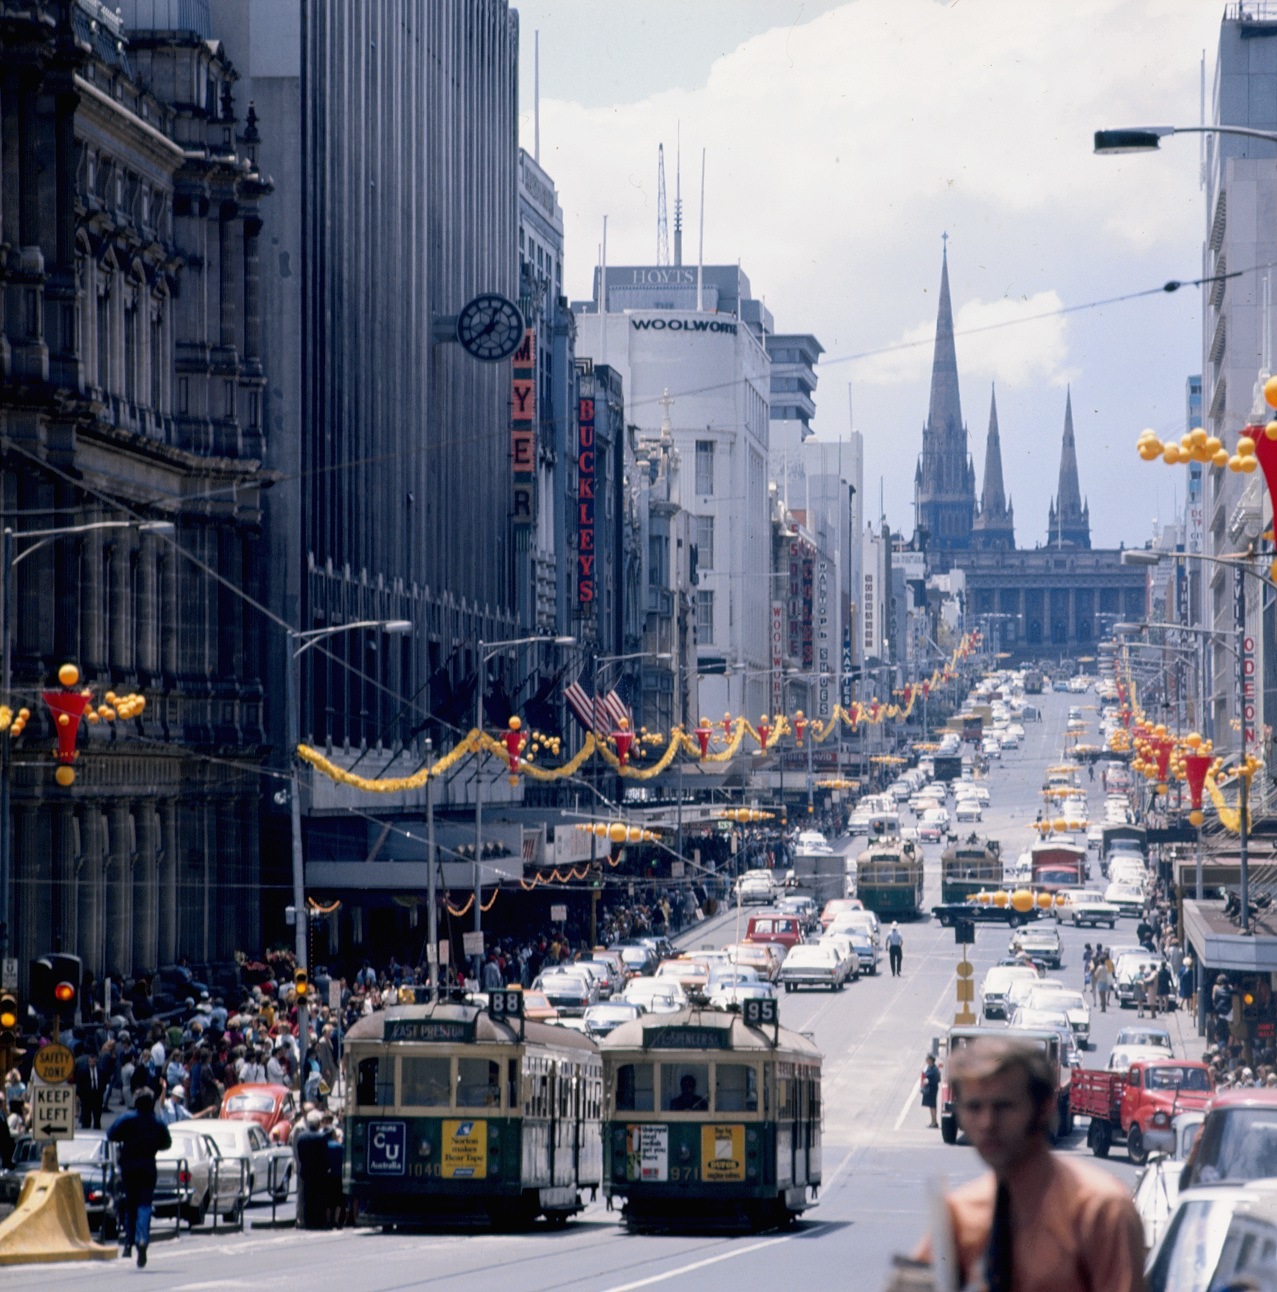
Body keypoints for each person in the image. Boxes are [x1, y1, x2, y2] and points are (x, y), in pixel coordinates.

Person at [912, 1036, 1145, 1291]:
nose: (987, 1123)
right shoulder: (961, 1214)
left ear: (1043, 1108)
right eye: (974, 1107)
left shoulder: (1099, 1210)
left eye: (1004, 1106)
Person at [108, 1089, 172, 1267]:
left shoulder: (127, 1119)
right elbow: (167, 1143)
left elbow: (111, 1134)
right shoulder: (157, 1122)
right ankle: (142, 1238)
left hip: (129, 1166)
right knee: (145, 1204)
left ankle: (129, 1243)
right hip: (148, 1165)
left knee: (130, 1204)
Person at [73, 1050, 105, 1129]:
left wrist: (102, 1091)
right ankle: (86, 1124)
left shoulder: (100, 1070)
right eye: (90, 1061)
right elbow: (79, 1083)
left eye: (94, 1061)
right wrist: (79, 1094)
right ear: (88, 1061)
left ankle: (97, 1123)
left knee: (97, 1110)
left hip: (97, 1093)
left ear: (96, 1061)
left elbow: (103, 1081)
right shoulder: (83, 1070)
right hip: (86, 1094)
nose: (92, 1063)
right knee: (86, 1110)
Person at [921, 1054, 940, 1129]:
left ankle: (934, 1122)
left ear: (931, 1060)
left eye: (927, 1059)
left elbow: (934, 1077)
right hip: (930, 1088)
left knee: (933, 1105)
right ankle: (933, 1121)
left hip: (933, 1088)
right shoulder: (929, 1067)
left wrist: (926, 1077)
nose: (926, 1061)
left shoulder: (934, 1069)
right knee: (931, 1106)